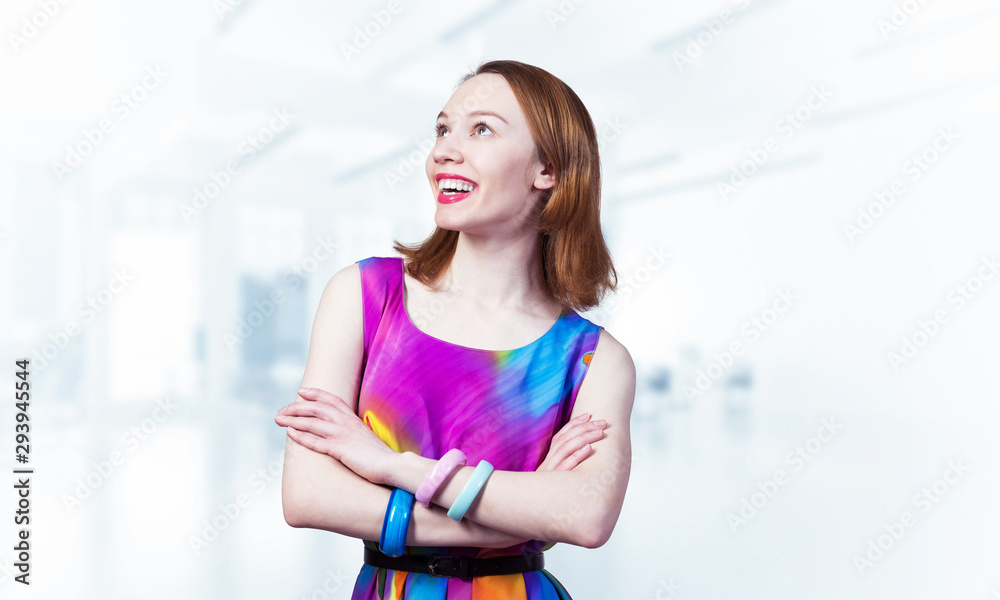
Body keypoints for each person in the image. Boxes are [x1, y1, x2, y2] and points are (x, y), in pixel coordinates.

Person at [275, 59, 636, 600]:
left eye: (481, 129)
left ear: (548, 169)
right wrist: (520, 516)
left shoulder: (595, 359)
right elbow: (307, 495)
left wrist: (387, 465)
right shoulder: (364, 296)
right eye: (443, 129)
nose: (444, 149)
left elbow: (585, 516)